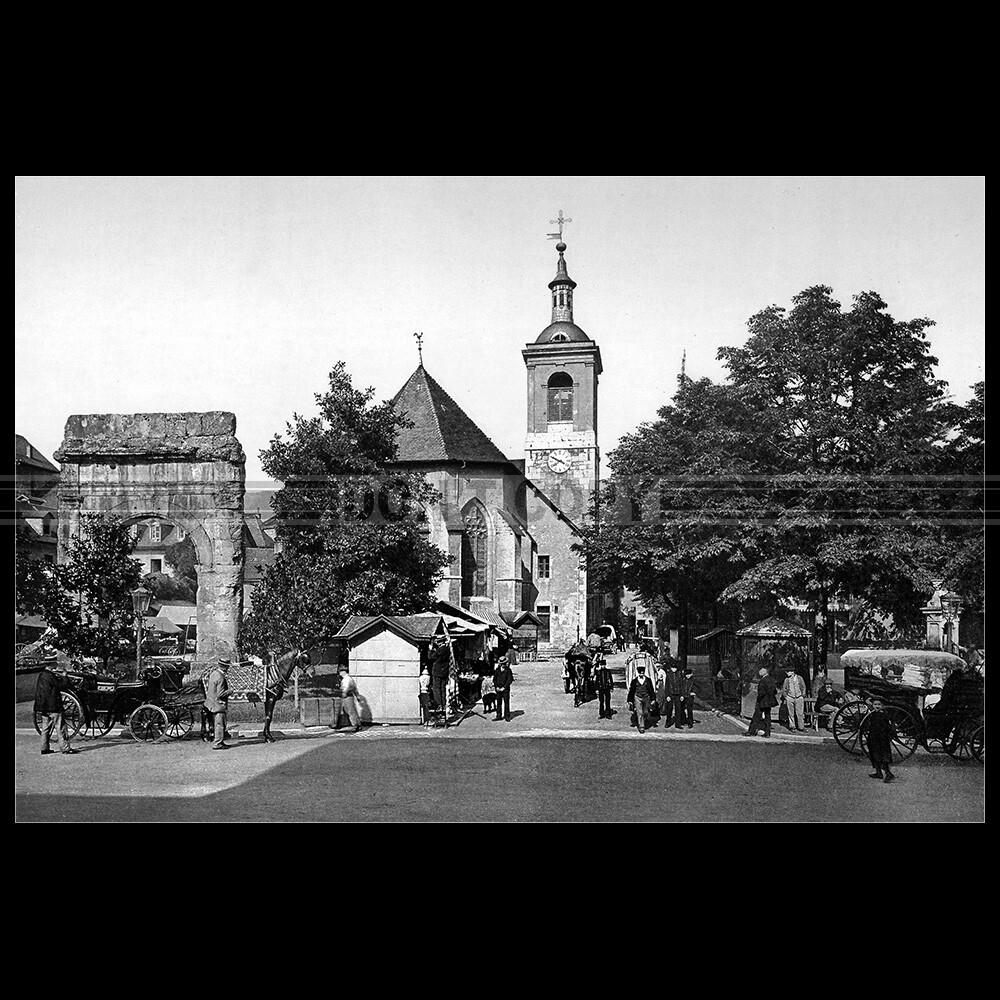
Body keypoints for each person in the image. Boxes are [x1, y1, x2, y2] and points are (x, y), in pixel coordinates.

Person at [34, 662, 79, 756]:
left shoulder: (42, 675)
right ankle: (65, 748)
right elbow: (61, 685)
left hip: (44, 707)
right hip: (53, 706)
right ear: (51, 665)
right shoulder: (50, 676)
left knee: (45, 728)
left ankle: (44, 748)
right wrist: (64, 676)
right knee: (61, 727)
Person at [861, 698, 895, 782]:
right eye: (875, 704)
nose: (877, 706)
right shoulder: (873, 714)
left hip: (882, 738)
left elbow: (887, 727)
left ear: (882, 706)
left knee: (883, 756)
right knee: (874, 755)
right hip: (873, 737)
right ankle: (878, 772)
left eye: (879, 704)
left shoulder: (883, 715)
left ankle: (888, 773)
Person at [204, 657, 233, 750]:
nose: (228, 669)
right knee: (220, 724)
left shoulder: (214, 674)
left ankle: (220, 741)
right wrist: (230, 691)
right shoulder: (221, 677)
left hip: (211, 702)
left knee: (218, 723)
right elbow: (221, 694)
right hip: (218, 704)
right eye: (227, 667)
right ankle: (217, 743)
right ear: (225, 667)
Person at [745, 666, 778, 738]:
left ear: (765, 672)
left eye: (761, 670)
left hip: (762, 701)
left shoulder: (763, 680)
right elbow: (775, 691)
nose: (759, 672)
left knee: (756, 716)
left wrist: (758, 700)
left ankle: (751, 732)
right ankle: (767, 733)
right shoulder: (771, 679)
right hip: (769, 701)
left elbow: (761, 693)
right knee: (767, 716)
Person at [627, 661, 656, 733]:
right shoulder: (634, 681)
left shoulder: (648, 680)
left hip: (646, 697)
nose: (641, 674)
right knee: (639, 712)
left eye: (642, 673)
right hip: (637, 697)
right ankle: (641, 726)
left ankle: (644, 719)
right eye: (640, 673)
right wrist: (629, 700)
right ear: (638, 673)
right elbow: (631, 691)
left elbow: (651, 690)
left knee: (645, 712)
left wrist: (653, 699)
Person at [429, 637, 451, 718]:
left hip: (437, 672)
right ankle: (443, 705)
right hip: (444, 671)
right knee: (442, 689)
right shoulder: (447, 649)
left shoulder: (441, 650)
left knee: (436, 688)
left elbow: (431, 657)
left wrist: (431, 649)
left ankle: (439, 705)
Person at [782, 667, 808, 732]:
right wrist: (786, 697)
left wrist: (803, 695)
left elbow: (803, 686)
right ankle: (792, 727)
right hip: (790, 697)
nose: (787, 673)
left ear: (792, 672)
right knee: (791, 713)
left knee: (800, 713)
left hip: (799, 697)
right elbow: (784, 689)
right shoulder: (786, 680)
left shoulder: (799, 678)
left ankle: (801, 727)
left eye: (788, 671)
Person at [338, 665, 363, 732]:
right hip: (347, 696)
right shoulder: (349, 679)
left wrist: (344, 693)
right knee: (346, 710)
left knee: (350, 710)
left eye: (340, 671)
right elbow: (355, 689)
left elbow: (346, 688)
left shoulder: (347, 679)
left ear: (344, 672)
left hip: (347, 696)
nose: (339, 673)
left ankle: (356, 725)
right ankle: (352, 724)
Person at [493, 654, 514, 722]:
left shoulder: (508, 670)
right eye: (502, 664)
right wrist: (496, 687)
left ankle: (507, 716)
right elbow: (494, 679)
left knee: (506, 703)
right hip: (498, 689)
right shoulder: (497, 670)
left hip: (505, 690)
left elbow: (509, 680)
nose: (503, 665)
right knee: (498, 703)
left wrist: (504, 687)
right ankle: (498, 715)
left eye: (504, 663)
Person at [594, 652, 614, 719]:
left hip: (607, 688)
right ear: (600, 665)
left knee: (607, 701)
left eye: (604, 665)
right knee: (601, 701)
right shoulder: (598, 672)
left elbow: (611, 680)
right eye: (602, 665)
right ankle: (602, 714)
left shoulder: (608, 671)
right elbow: (596, 681)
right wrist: (596, 689)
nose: (603, 666)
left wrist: (611, 687)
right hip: (600, 688)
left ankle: (608, 714)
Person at [664, 659, 683, 728]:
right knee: (669, 708)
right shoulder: (669, 675)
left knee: (678, 709)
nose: (674, 669)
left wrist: (682, 695)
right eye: (672, 668)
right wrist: (667, 695)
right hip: (671, 694)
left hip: (678, 693)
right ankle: (668, 722)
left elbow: (681, 685)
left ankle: (678, 723)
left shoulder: (679, 674)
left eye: (675, 668)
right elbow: (666, 686)